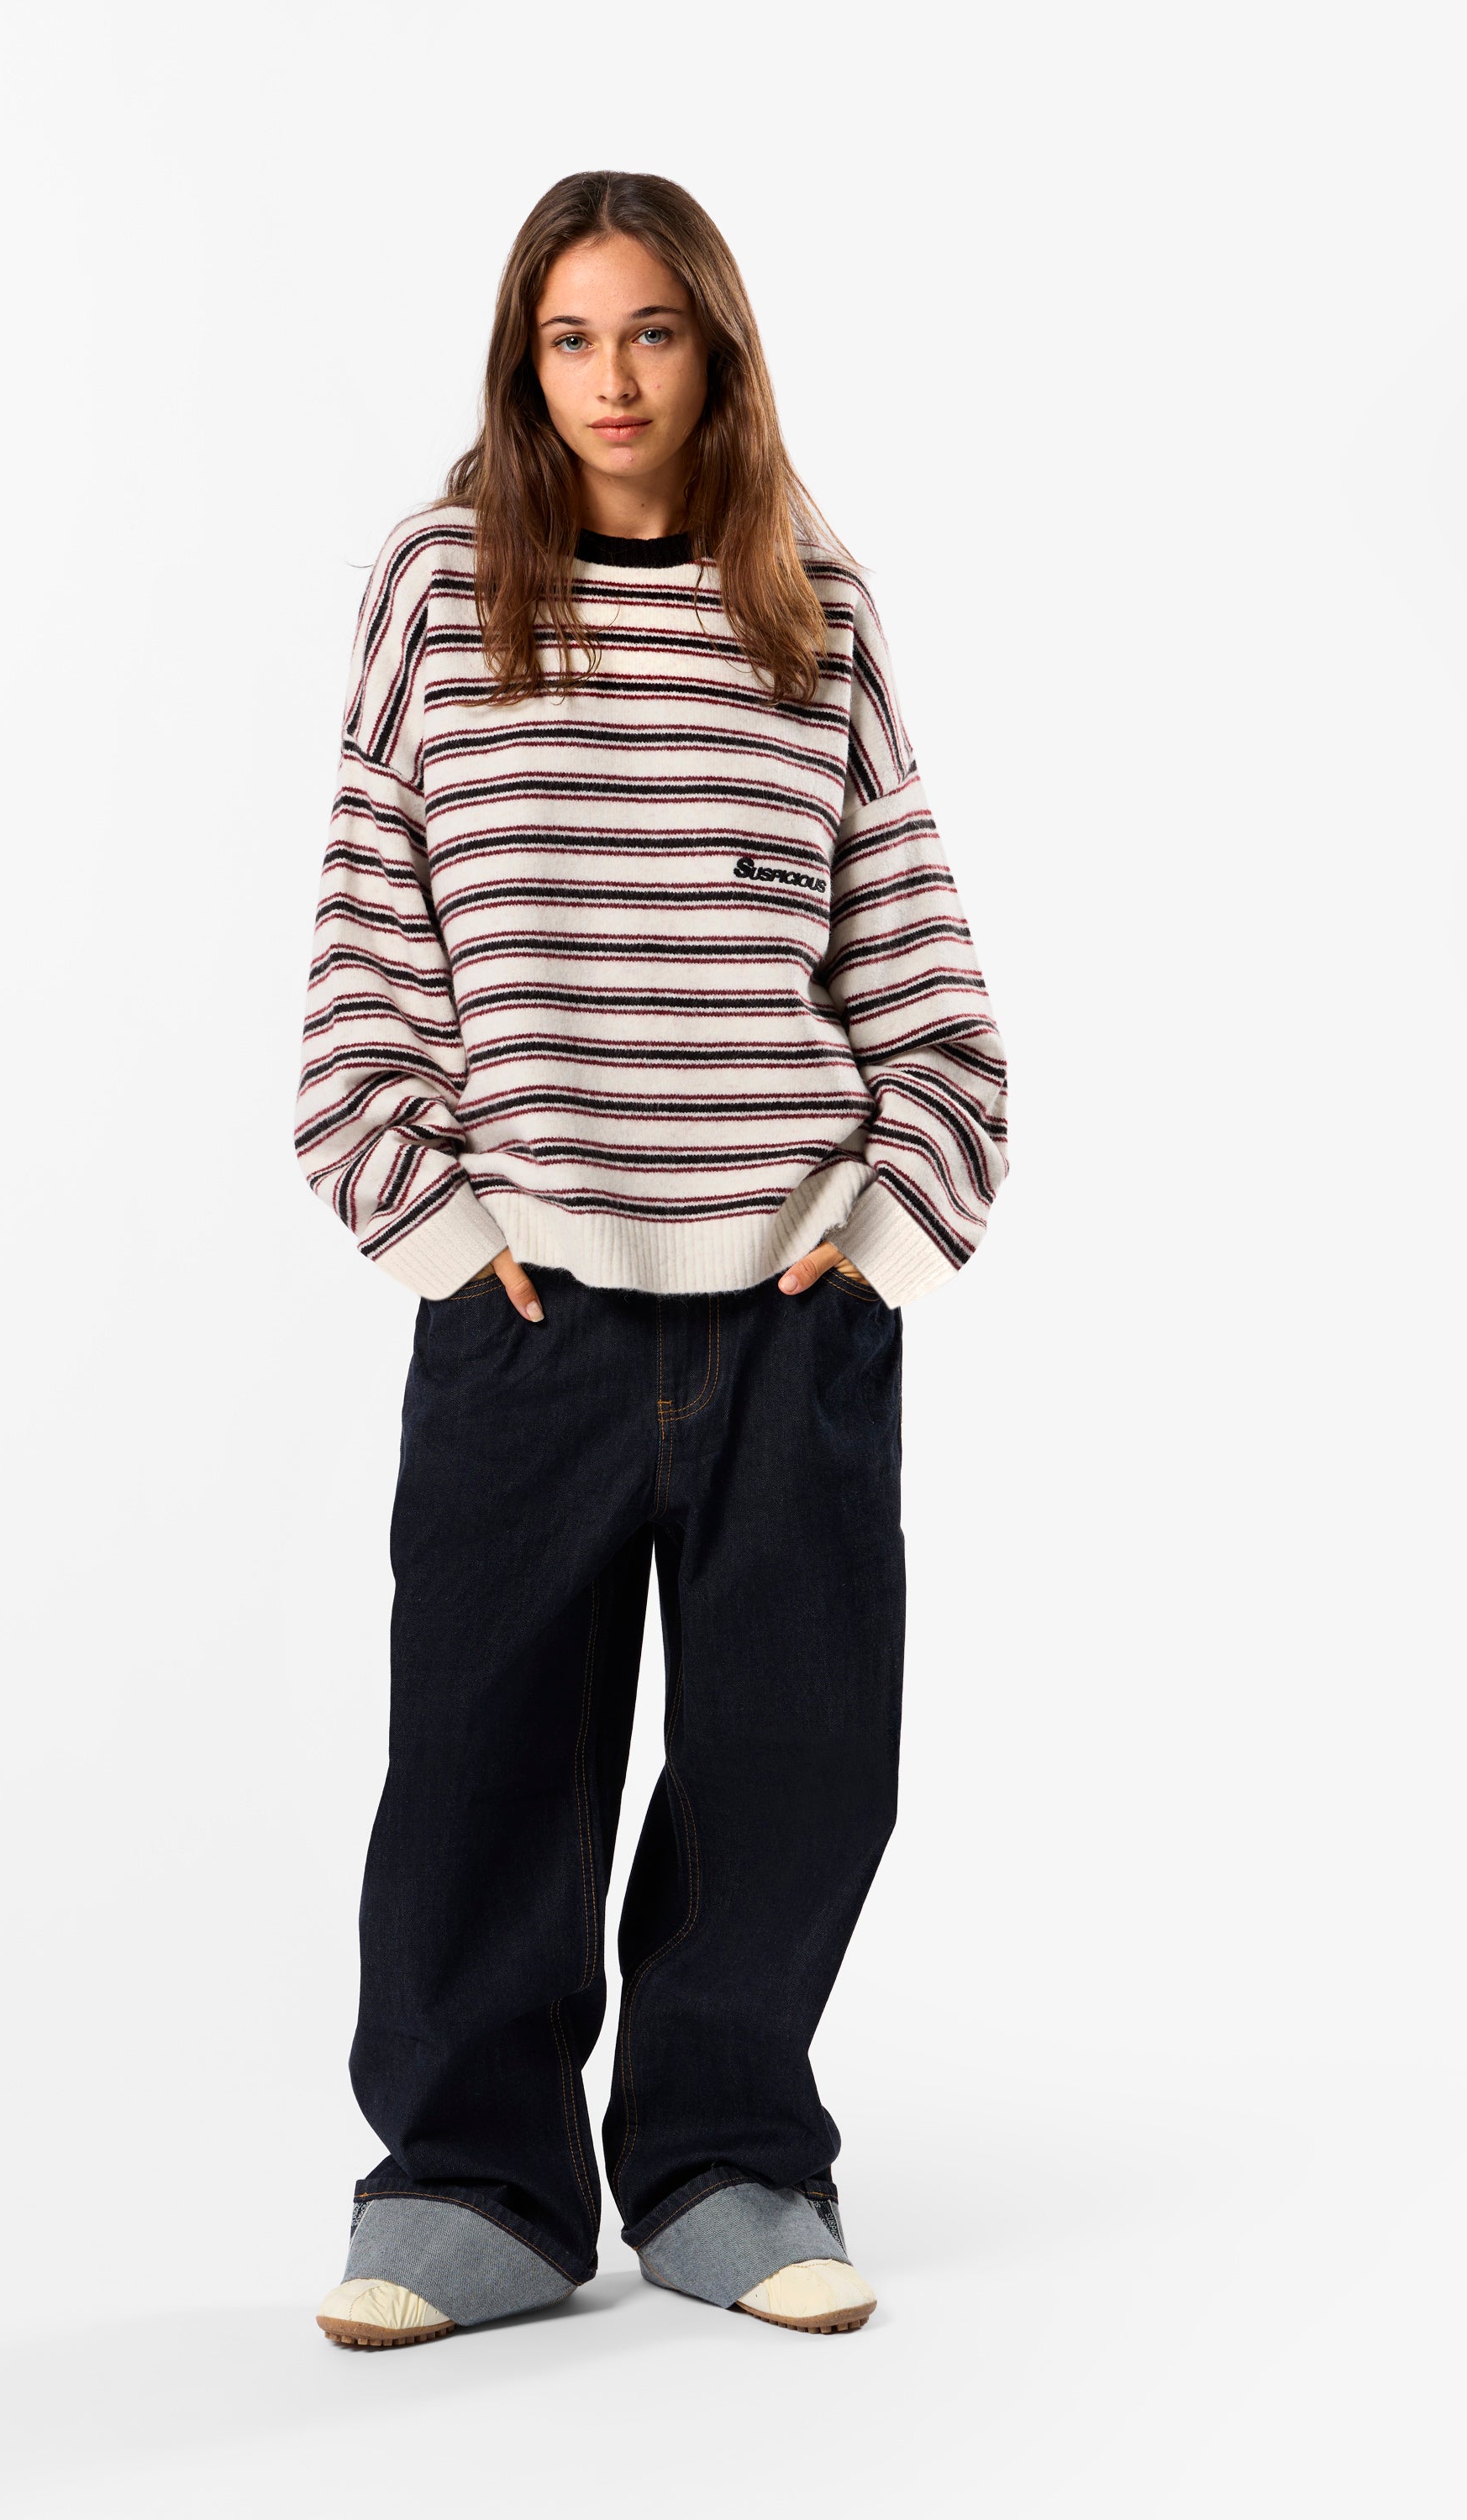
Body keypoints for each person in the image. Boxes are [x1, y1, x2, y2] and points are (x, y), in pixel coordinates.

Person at [293, 170, 1008, 2349]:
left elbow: (917, 964)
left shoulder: (811, 600)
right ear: (525, 361)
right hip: (527, 1310)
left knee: (801, 1756)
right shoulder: (443, 587)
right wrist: (434, 1221)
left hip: (794, 1304)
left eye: (653, 332)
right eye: (571, 337)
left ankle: (725, 2162)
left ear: (718, 347)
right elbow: (366, 942)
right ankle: (475, 2186)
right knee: (484, 1759)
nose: (612, 380)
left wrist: (883, 1232)